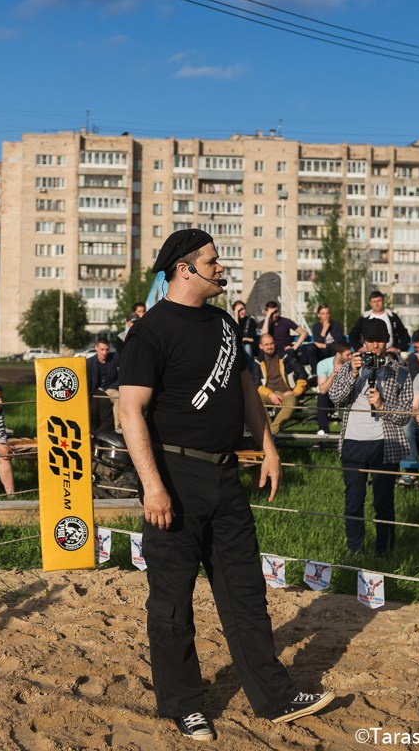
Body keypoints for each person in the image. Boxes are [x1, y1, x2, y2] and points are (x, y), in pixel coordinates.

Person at [119, 228, 333, 739]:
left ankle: (275, 696)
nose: (222, 267)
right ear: (185, 268)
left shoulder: (221, 324)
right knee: (171, 602)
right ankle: (183, 703)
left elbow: (244, 388)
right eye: (213, 261)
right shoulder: (149, 332)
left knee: (245, 592)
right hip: (173, 477)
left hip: (225, 473)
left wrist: (269, 449)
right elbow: (131, 412)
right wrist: (152, 486)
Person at [330, 319, 413, 554]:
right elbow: (336, 399)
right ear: (363, 342)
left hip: (386, 444)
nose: (375, 346)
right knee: (353, 502)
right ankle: (354, 550)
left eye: (380, 341)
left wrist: (382, 405)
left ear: (387, 342)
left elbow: (405, 416)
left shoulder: (400, 373)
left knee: (383, 502)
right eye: (371, 341)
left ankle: (384, 551)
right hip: (353, 441)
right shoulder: (349, 367)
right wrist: (354, 372)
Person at [253, 333, 308, 435]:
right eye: (266, 344)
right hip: (268, 393)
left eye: (271, 343)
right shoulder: (257, 362)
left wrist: (296, 391)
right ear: (261, 346)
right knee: (256, 401)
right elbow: (256, 384)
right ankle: (268, 433)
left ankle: (270, 434)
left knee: (291, 405)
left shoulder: (286, 357)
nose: (270, 347)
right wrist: (271, 395)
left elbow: (302, 373)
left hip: (286, 392)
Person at [350, 290, 410, 354]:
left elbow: (404, 335)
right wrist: (359, 348)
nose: (377, 304)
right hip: (368, 354)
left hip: (390, 354)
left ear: (383, 301)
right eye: (374, 302)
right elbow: (353, 335)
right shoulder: (364, 317)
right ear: (370, 303)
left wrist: (398, 348)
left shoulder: (392, 317)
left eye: (379, 301)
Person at [315, 342, 351, 436]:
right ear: (338, 354)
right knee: (322, 396)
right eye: (348, 354)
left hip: (347, 395)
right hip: (330, 397)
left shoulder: (352, 365)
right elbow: (323, 389)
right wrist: (333, 374)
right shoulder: (323, 364)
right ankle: (323, 430)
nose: (350, 357)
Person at [85, 339, 120, 433]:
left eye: (107, 349)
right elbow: (87, 382)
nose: (105, 352)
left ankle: (117, 427)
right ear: (96, 348)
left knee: (119, 397)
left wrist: (114, 386)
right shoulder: (89, 363)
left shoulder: (115, 358)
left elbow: (122, 374)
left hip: (110, 388)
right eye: (102, 349)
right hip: (96, 390)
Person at [307, 303, 345, 368]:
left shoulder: (337, 325)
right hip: (321, 353)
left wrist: (325, 346)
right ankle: (315, 373)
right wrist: (324, 330)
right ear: (318, 315)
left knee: (335, 350)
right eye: (323, 314)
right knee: (311, 348)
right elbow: (318, 344)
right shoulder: (316, 327)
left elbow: (338, 343)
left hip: (334, 351)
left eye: (327, 313)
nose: (326, 316)